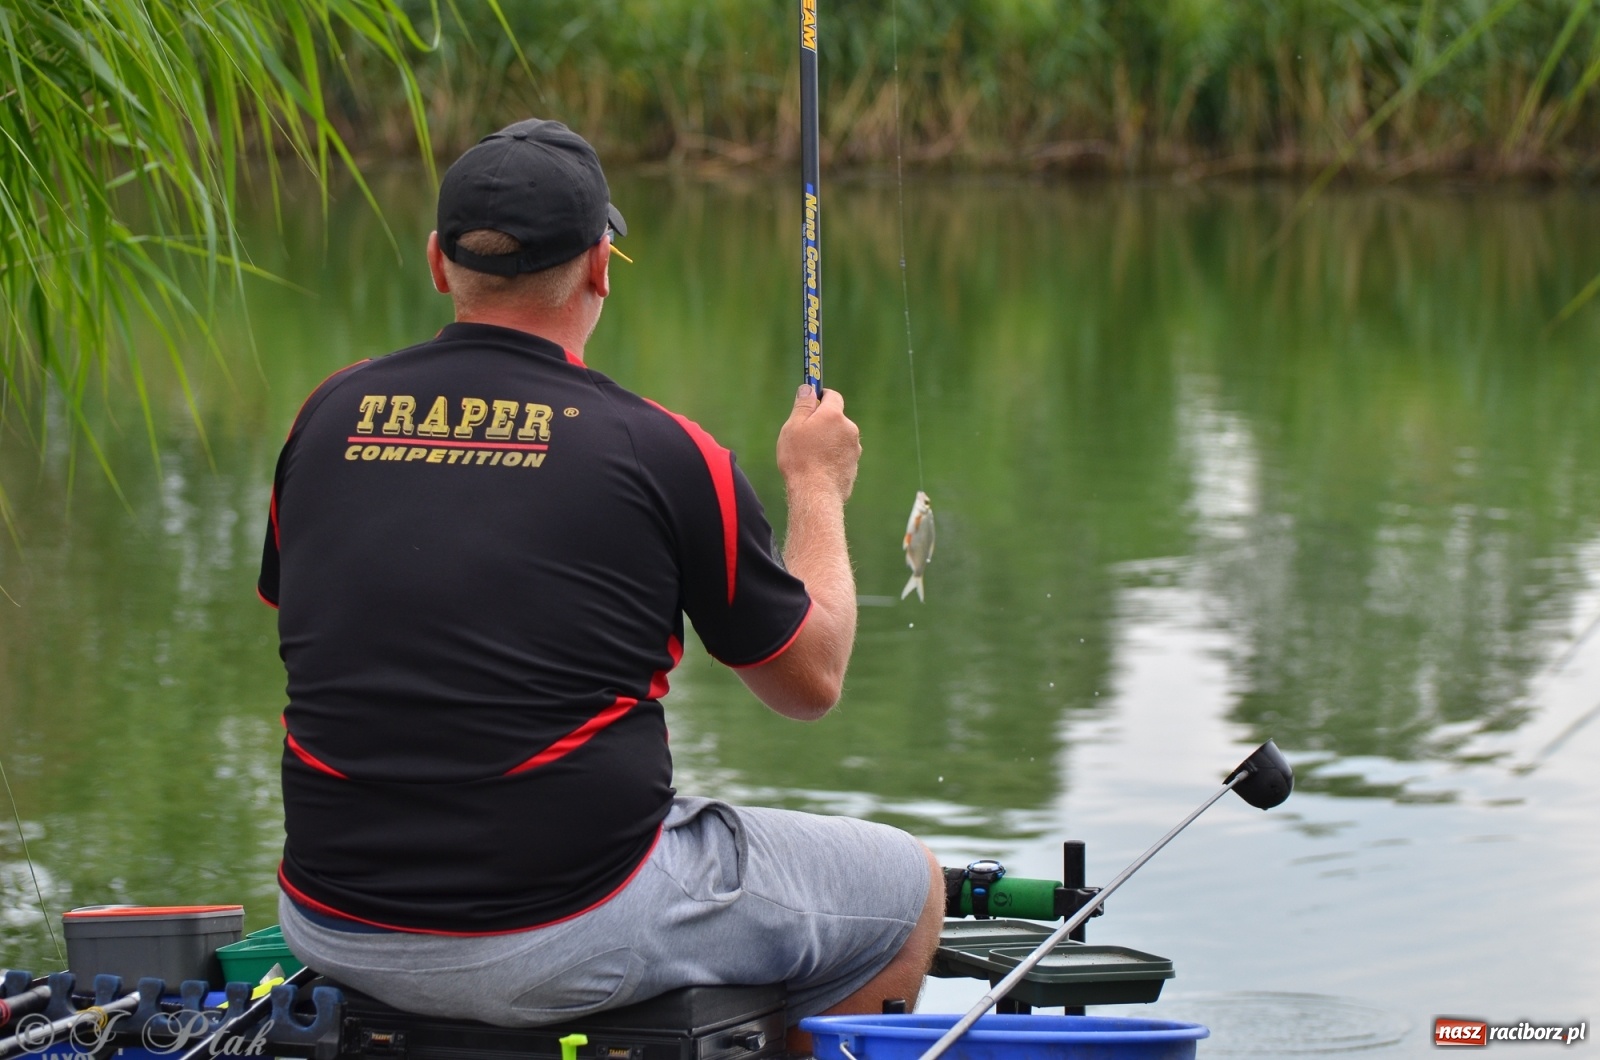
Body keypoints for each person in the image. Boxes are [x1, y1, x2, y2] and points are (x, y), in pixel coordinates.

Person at [257, 118, 945, 1041]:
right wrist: (816, 485)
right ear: (599, 268)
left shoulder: (327, 416)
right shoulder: (663, 451)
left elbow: (322, 617)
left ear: (437, 263)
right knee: (909, 889)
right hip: (567, 922)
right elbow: (809, 681)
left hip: (330, 919)